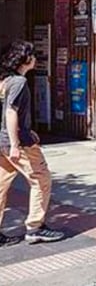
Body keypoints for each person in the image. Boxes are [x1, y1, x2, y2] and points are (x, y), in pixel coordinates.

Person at [0, 40, 65, 244]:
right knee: (41, 178)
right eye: (33, 55)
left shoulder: (4, 81)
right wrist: (15, 143)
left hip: (2, 141)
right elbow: (11, 112)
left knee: (1, 184)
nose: (35, 58)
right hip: (18, 143)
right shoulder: (19, 82)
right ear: (25, 59)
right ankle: (35, 227)